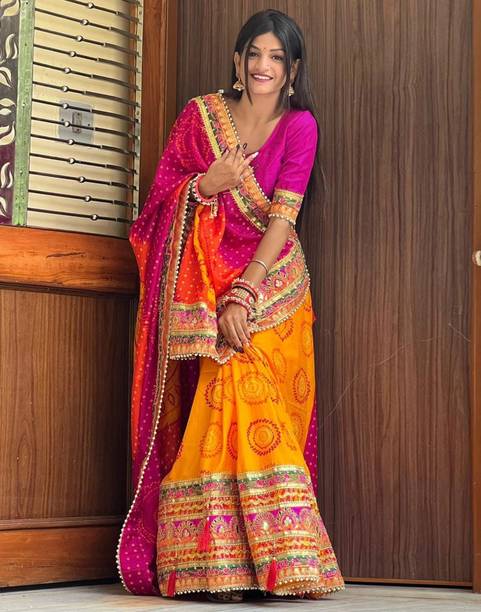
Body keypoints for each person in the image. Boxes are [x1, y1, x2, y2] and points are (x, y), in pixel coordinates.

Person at [117, 8, 345, 603]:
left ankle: (279, 565)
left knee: (245, 387)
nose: (264, 65)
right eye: (254, 54)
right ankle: (213, 566)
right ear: (238, 61)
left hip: (273, 287)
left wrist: (245, 292)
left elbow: (283, 218)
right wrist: (204, 185)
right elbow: (157, 209)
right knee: (223, 392)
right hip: (205, 290)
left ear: (292, 70)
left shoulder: (300, 127)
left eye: (277, 57)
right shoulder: (200, 117)